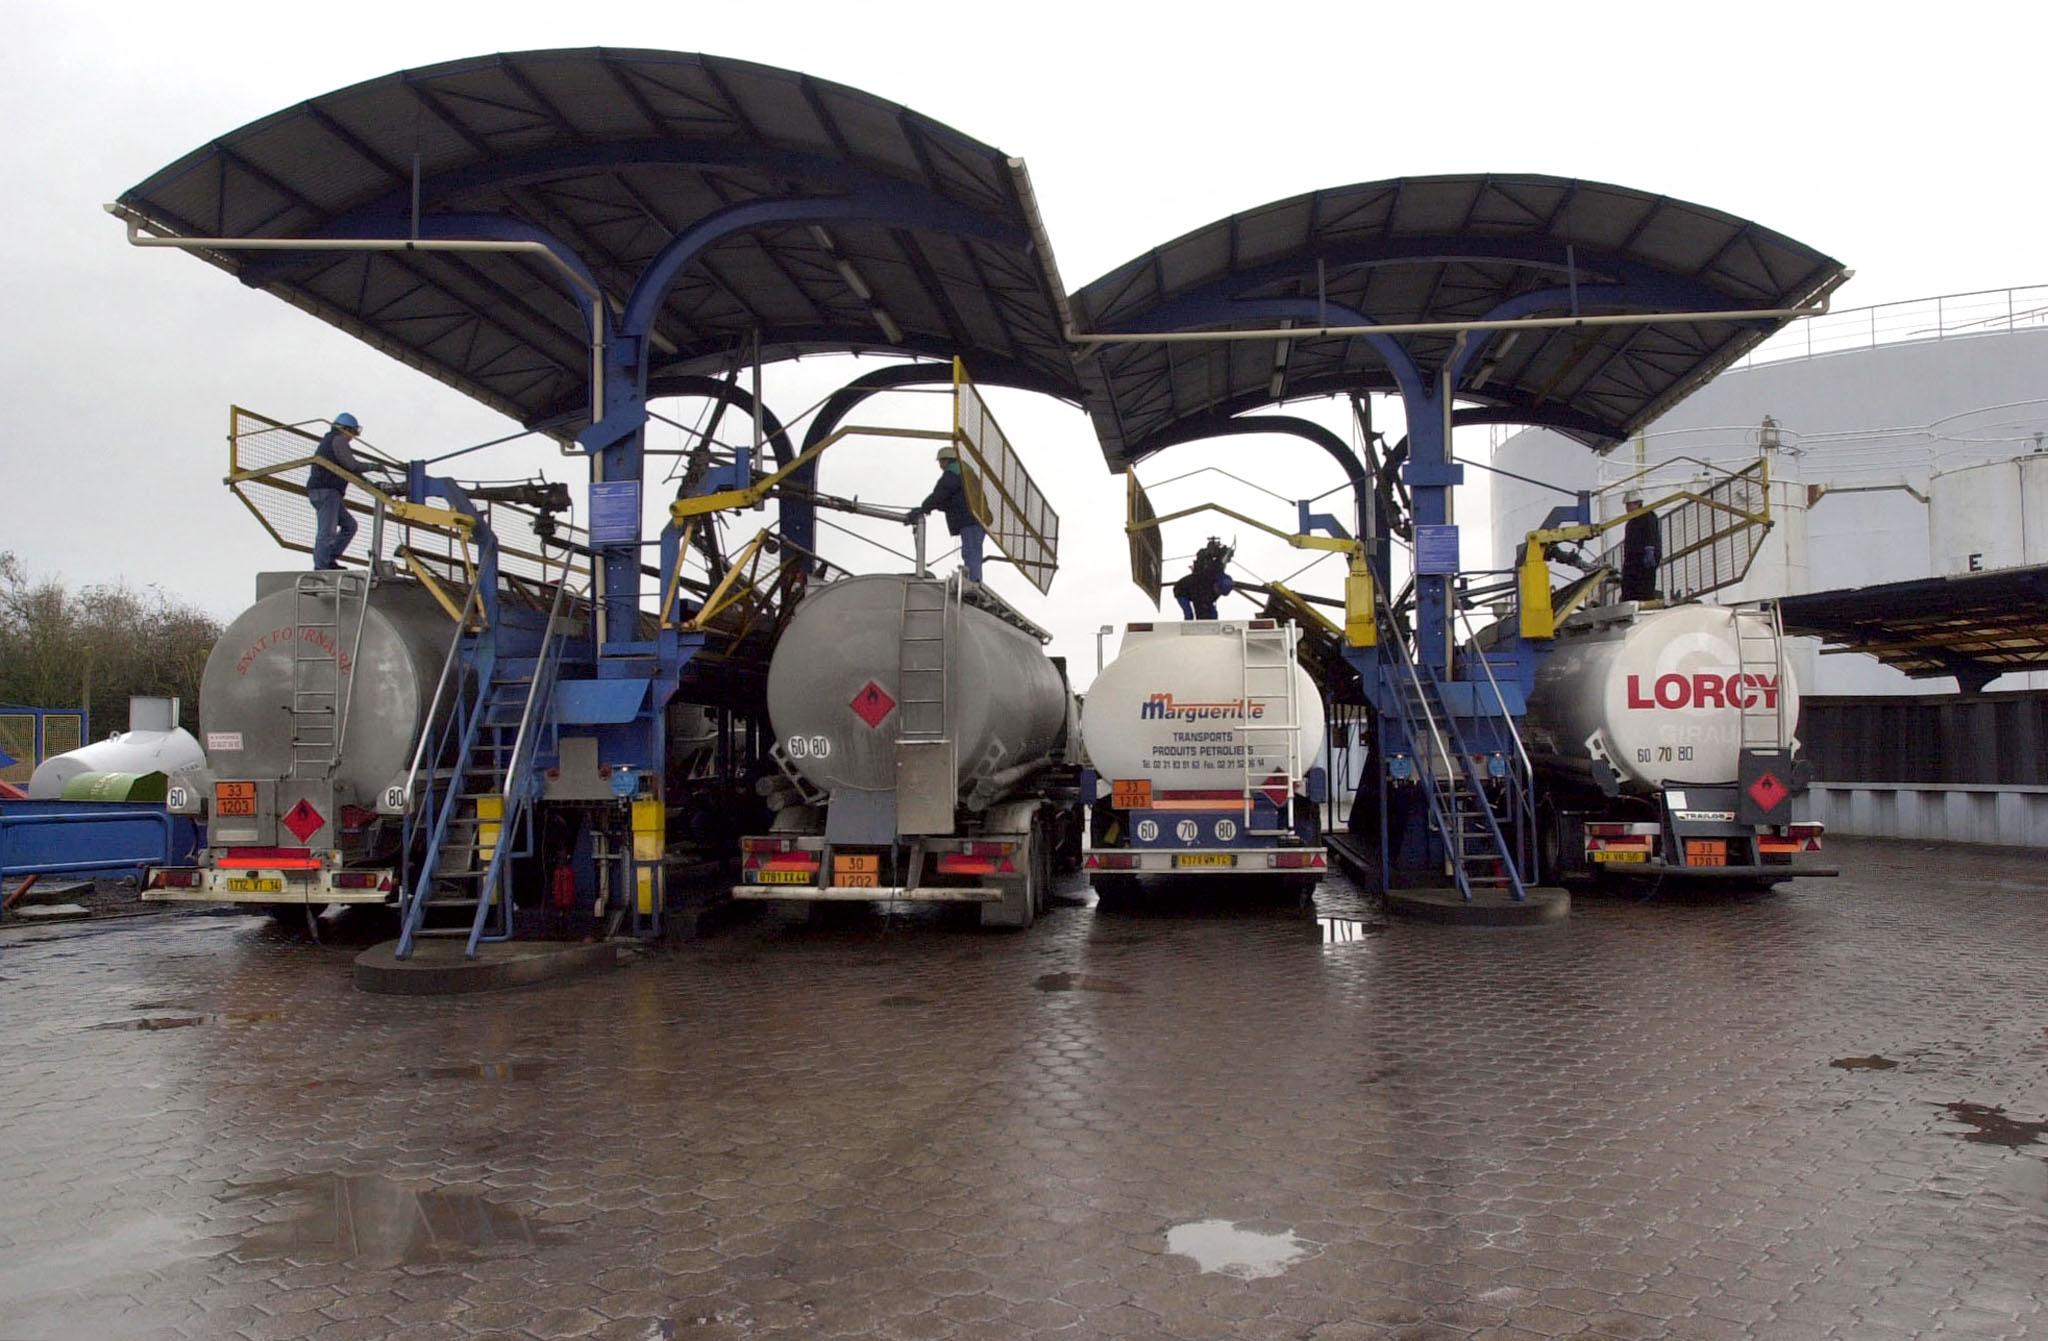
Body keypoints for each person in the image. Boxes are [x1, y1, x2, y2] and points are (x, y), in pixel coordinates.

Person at [908, 444, 988, 583]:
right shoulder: (965, 472)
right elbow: (953, 499)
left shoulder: (954, 472)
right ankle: (974, 578)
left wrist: (924, 508)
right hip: (976, 518)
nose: (940, 465)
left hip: (970, 520)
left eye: (940, 462)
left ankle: (974, 581)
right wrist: (932, 507)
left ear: (945, 460)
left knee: (971, 551)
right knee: (973, 550)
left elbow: (941, 493)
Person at [308, 412, 366, 570]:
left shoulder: (331, 441)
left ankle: (329, 560)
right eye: (352, 433)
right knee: (327, 532)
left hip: (326, 492)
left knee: (350, 525)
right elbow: (352, 465)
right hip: (327, 492)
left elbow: (348, 467)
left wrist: (369, 482)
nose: (352, 437)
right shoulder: (338, 440)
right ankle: (321, 567)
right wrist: (372, 467)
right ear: (345, 429)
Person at [1173, 537, 1235, 619]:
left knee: (1212, 613)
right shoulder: (1202, 587)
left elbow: (1219, 562)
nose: (1218, 593)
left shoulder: (1216, 571)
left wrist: (1224, 554)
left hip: (1200, 592)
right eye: (1218, 590)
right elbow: (1199, 605)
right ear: (1216, 584)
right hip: (1181, 590)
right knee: (1189, 615)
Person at [1619, 494, 1662, 602]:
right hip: (1632, 561)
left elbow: (1651, 533)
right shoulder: (1631, 522)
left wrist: (1650, 550)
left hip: (1643, 559)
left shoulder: (1648, 516)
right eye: (1627, 505)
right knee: (1629, 588)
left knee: (1644, 586)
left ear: (1638, 504)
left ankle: (1644, 602)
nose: (1627, 508)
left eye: (1629, 505)